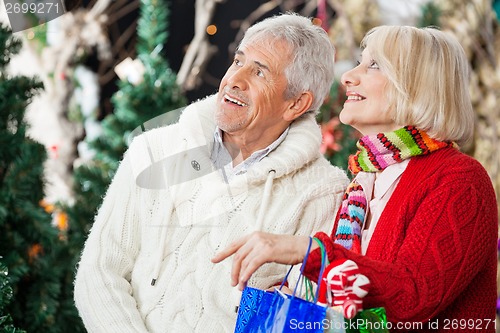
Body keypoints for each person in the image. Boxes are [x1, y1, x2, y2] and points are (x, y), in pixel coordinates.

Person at [73, 12, 349, 333]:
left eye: (260, 72)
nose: (235, 79)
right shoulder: (153, 150)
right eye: (238, 61)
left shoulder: (323, 193)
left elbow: (319, 317)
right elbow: (99, 273)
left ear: (296, 104)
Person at [212, 25, 498, 332]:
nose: (348, 76)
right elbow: (353, 310)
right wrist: (292, 298)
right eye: (360, 61)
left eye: (374, 65)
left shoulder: (459, 179)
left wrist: (310, 251)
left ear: (418, 85)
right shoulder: (364, 183)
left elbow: (413, 299)